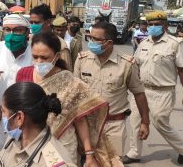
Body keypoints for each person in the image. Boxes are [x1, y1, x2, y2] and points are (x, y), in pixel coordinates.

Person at [16, 32, 124, 166]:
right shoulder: (23, 74)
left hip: (63, 143)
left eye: (44, 57)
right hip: (30, 141)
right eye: (35, 56)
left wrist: (89, 154)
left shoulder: (69, 80)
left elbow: (79, 118)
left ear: (56, 56)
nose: (39, 61)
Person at [125, 11, 183, 164]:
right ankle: (134, 153)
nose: (153, 27)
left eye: (157, 25)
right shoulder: (143, 43)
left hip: (162, 91)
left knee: (159, 121)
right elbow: (135, 65)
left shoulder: (174, 43)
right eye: (150, 25)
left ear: (164, 25)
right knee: (135, 121)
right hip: (142, 91)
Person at [74, 21, 150, 159]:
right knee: (84, 161)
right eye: (90, 37)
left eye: (96, 39)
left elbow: (139, 93)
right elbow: (74, 93)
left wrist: (145, 122)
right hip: (86, 125)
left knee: (112, 162)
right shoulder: (82, 60)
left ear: (109, 43)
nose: (91, 42)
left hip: (113, 125)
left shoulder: (126, 64)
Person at [0, 82, 77, 167]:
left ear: (19, 118)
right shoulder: (16, 137)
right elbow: (2, 162)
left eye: (4, 112)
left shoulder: (54, 162)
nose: (3, 117)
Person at [0, 14, 33, 151]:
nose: (11, 35)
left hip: (26, 119)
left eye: (17, 30)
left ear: (27, 32)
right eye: (7, 30)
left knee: (23, 155)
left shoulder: (35, 53)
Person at [30, 4, 73, 71]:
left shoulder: (61, 46)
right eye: (31, 22)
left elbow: (67, 74)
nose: (32, 26)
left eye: (36, 22)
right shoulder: (28, 41)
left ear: (48, 22)